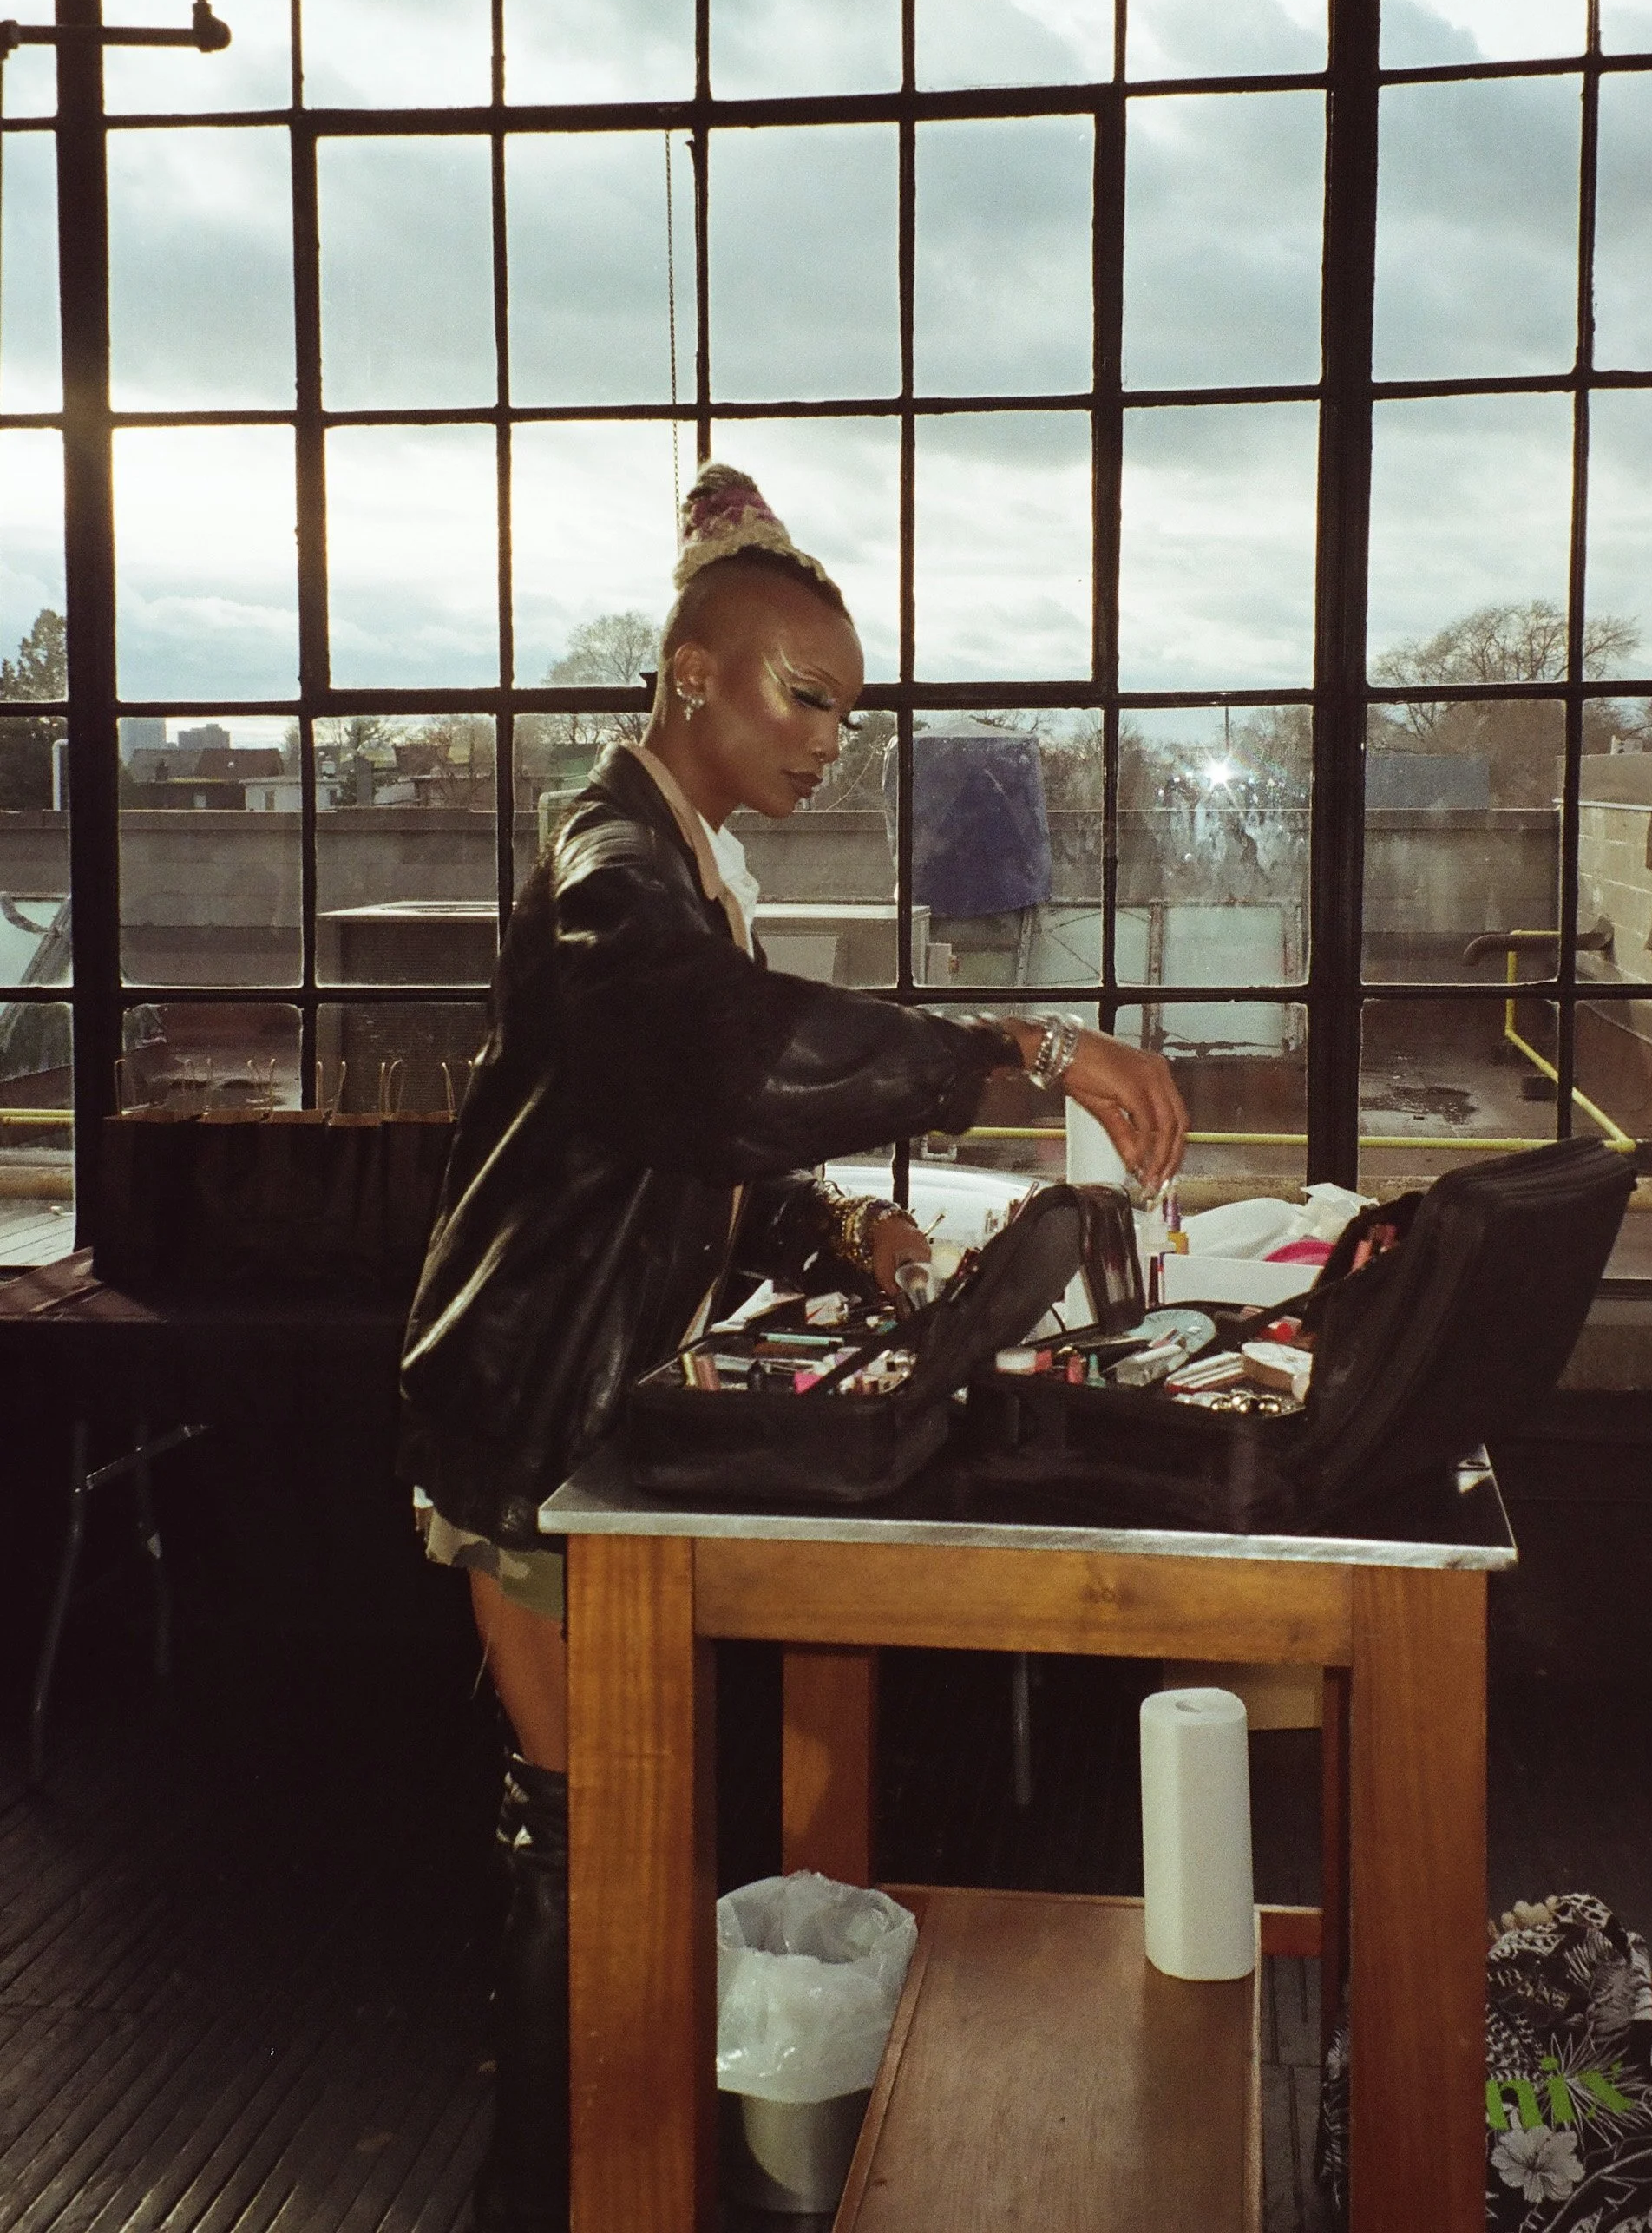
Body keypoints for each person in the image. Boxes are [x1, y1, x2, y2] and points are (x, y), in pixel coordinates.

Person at [397, 463, 1188, 2231]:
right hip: (531, 1412)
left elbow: (673, 1144)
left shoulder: (691, 860)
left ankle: (624, 2160)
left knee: (624, 1822)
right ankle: (546, 2193)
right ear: (692, 671)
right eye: (799, 692)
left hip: (594, 1402)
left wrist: (839, 1227)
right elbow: (722, 1066)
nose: (831, 734)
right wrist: (1023, 1051)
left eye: (847, 705)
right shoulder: (613, 860)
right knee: (583, 1831)